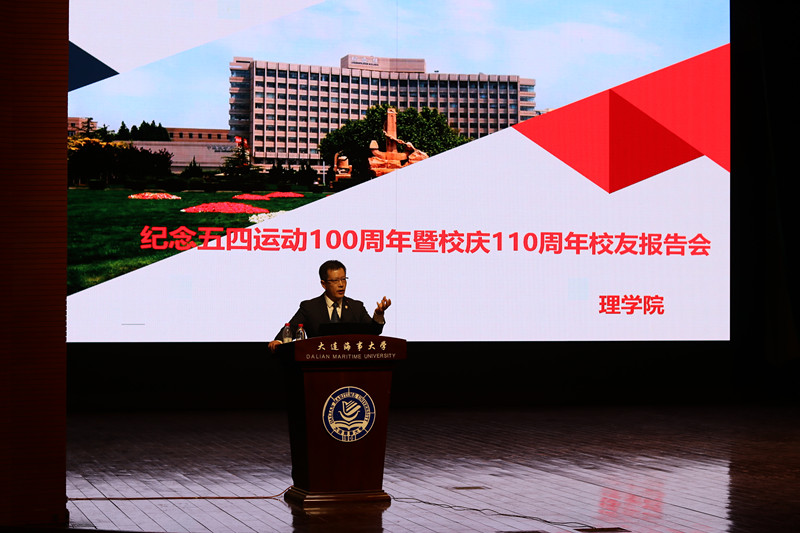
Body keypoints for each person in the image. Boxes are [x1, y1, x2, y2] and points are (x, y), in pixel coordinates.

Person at [268, 260, 391, 352]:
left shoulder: (356, 307)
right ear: (324, 284)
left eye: (344, 279)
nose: (341, 284)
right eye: (335, 281)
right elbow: (291, 328)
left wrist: (379, 314)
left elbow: (373, 332)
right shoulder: (310, 307)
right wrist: (278, 341)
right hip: (318, 363)